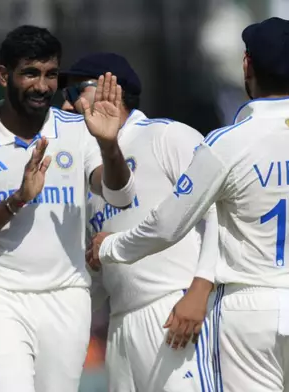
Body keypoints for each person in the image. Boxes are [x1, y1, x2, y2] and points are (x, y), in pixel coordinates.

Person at [86, 17, 289, 392]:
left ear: (246, 65)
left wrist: (111, 247)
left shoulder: (228, 142)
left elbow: (168, 225)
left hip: (246, 309)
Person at [0, 25, 135, 392]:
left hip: (66, 299)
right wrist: (17, 201)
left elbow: (119, 194)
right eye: (30, 73)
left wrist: (109, 145)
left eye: (50, 74)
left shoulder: (79, 130)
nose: (43, 86)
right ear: (3, 75)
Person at [61, 52, 218, 391]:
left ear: (111, 90)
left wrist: (200, 291)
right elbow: (103, 266)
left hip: (176, 310)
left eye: (75, 93)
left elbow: (218, 216)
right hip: (120, 323)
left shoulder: (166, 135)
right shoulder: (89, 172)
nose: (67, 107)